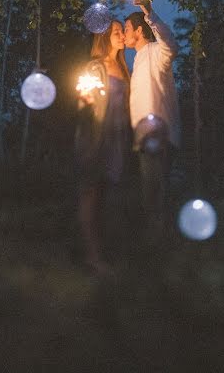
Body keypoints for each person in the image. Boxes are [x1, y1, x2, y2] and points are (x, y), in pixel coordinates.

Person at [74, 20, 131, 274]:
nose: (121, 35)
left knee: (109, 197)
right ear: (106, 37)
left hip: (118, 139)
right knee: (91, 194)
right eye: (116, 32)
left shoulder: (123, 68)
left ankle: (109, 254)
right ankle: (92, 256)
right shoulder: (95, 67)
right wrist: (84, 102)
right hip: (96, 138)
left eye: (121, 31)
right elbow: (82, 104)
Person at [123, 0, 180, 245]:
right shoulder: (137, 59)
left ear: (138, 30)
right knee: (150, 197)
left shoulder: (156, 52)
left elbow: (171, 46)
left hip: (160, 135)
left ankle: (162, 250)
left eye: (126, 29)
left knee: (157, 197)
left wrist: (150, 14)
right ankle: (156, 247)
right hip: (144, 137)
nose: (124, 34)